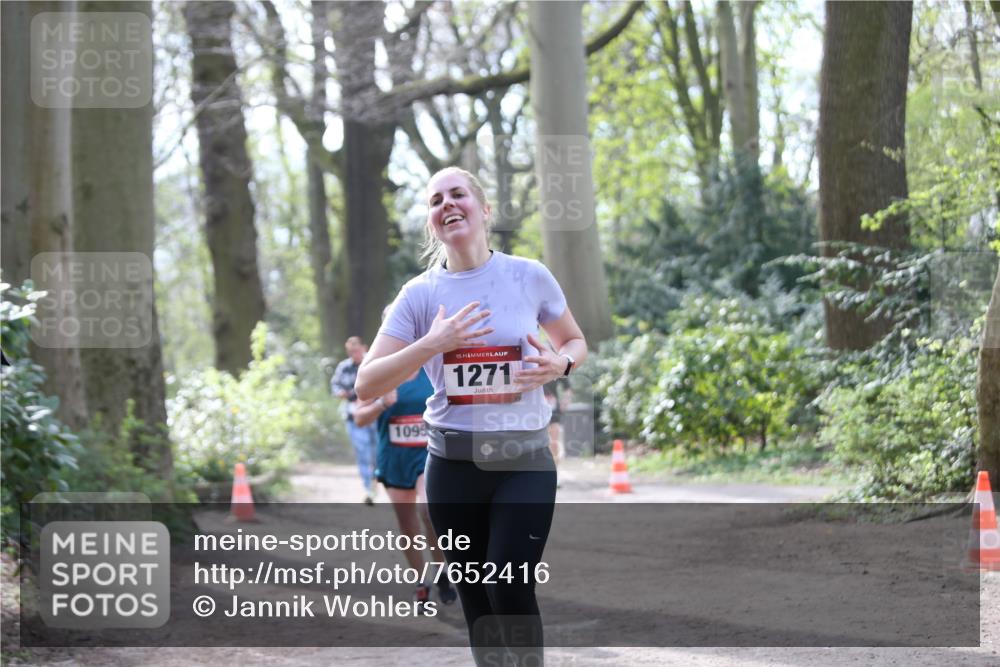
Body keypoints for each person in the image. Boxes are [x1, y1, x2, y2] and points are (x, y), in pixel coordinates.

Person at [356, 166, 587, 666]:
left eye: (458, 194)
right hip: (453, 467)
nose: (447, 204)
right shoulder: (419, 295)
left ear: (484, 209)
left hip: (523, 459)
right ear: (432, 222)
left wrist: (559, 363)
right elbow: (367, 381)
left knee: (509, 583)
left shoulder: (527, 275)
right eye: (436, 200)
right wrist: (431, 344)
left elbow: (574, 339)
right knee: (478, 601)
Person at [353, 363, 458, 611]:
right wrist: (382, 404)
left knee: (429, 511)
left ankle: (441, 571)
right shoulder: (379, 370)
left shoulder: (432, 365)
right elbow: (359, 418)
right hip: (395, 458)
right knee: (408, 524)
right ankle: (421, 582)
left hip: (428, 453)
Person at [331, 336, 378, 505]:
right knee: (362, 452)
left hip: (375, 415)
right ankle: (368, 489)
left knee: (377, 452)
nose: (354, 354)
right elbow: (335, 386)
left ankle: (377, 481)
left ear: (364, 347)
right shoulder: (343, 368)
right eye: (351, 351)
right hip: (353, 416)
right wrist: (340, 393)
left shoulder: (374, 363)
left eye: (356, 350)